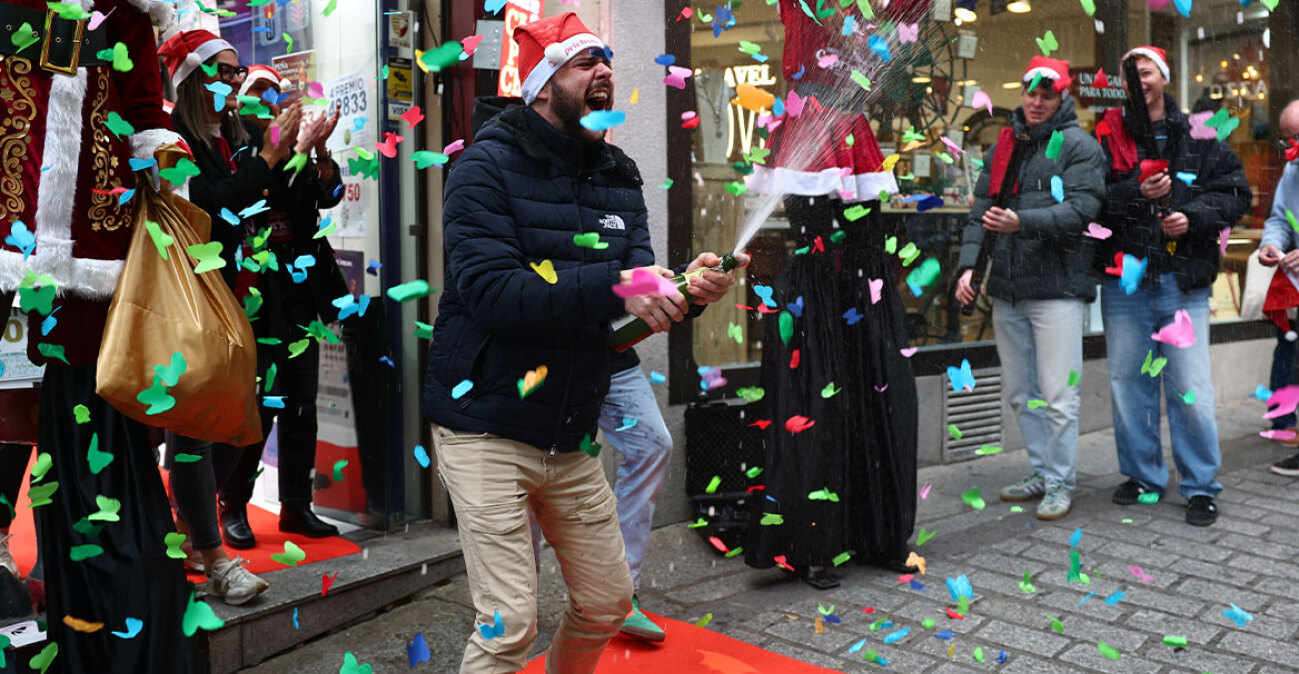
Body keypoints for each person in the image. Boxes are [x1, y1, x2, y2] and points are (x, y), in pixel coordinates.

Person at [421, 13, 739, 672]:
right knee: (509, 627)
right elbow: (493, 296)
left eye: (606, 62)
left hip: (568, 435)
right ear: (542, 84)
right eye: (583, 63)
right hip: (486, 429)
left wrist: (680, 296)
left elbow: (625, 314)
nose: (603, 73)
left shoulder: (618, 173)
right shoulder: (483, 166)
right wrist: (620, 286)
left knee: (603, 601)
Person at [0, 0, 205, 669]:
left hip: (92, 260)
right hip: (9, 240)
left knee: (99, 457)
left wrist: (170, 179)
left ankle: (107, 633)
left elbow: (145, 110)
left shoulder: (125, 10)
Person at [744, 0, 916, 591]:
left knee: (875, 399)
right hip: (818, 297)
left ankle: (876, 534)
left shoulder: (855, 122)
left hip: (860, 294)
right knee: (821, 410)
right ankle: (819, 543)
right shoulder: (803, 121)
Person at [1093, 46, 1250, 526]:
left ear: (1162, 78)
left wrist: (1193, 217)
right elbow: (1090, 201)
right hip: (1125, 281)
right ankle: (1143, 477)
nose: (1139, 80)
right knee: (1128, 384)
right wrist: (1133, 195)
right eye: (1130, 73)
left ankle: (1201, 485)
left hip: (1182, 281)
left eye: (1146, 71)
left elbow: (1236, 192)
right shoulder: (1104, 135)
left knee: (1190, 389)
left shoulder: (1201, 132)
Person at [955, 57, 1106, 521]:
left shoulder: (1080, 145)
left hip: (1058, 289)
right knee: (1023, 392)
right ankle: (1043, 471)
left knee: (1059, 395)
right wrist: (968, 270)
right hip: (1009, 288)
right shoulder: (1005, 143)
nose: (1037, 102)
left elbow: (1083, 211)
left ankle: (1061, 481)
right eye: (1031, 93)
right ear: (1022, 94)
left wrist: (1023, 222)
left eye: (1047, 95)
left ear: (1062, 98)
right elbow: (982, 210)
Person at [212, 63, 348, 549]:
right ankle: (233, 505)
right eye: (259, 91)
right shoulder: (245, 146)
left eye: (276, 92)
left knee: (301, 405)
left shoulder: (288, 146)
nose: (270, 100)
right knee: (259, 406)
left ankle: (296, 505)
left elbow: (326, 196)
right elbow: (263, 196)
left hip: (302, 292)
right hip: (257, 294)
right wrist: (298, 147)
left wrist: (321, 150)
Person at [1256, 99, 1299, 475]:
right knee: (1289, 353)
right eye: (1287, 139)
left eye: (1297, 137)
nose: (1291, 148)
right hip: (1296, 287)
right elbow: (1279, 220)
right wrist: (1271, 244)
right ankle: (1285, 425)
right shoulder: (1293, 168)